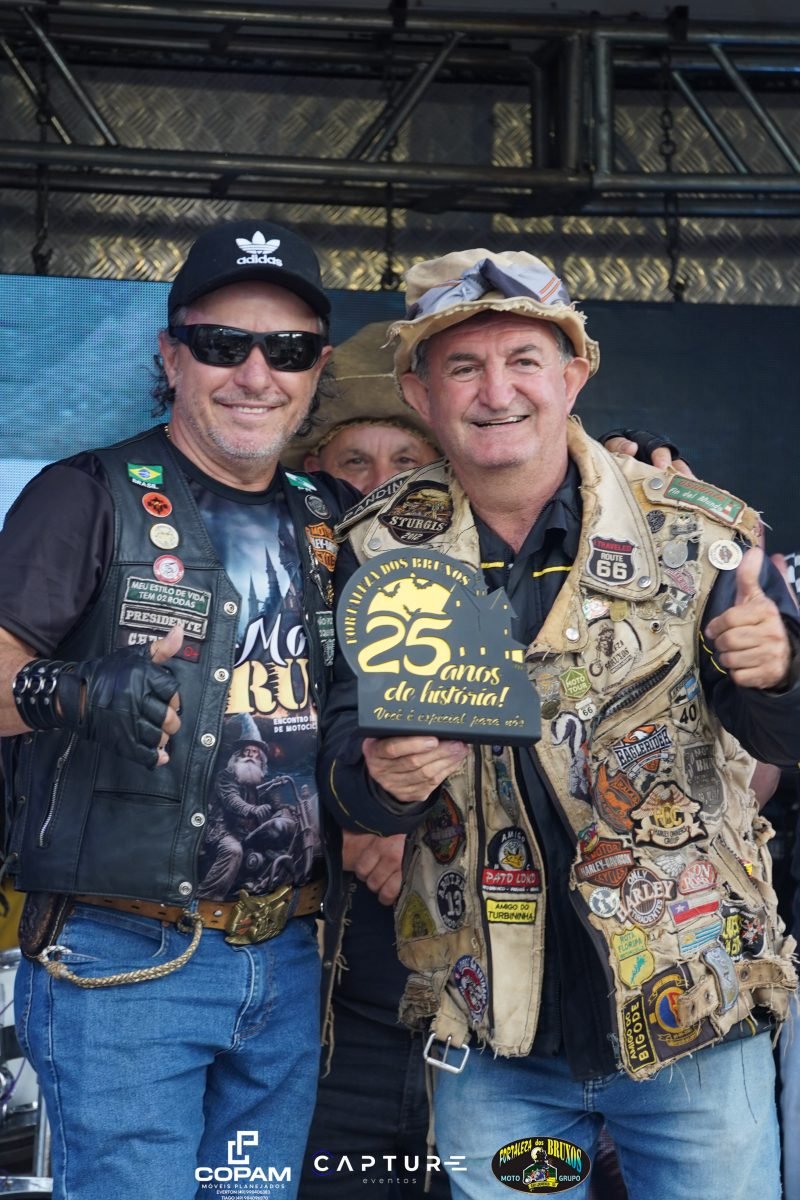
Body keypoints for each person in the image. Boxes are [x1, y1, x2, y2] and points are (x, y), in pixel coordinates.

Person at [318, 248, 800, 1200]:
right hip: (492, 1031)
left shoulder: (702, 531)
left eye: (525, 361)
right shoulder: (371, 547)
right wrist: (379, 781)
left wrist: (782, 672)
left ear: (575, 375)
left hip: (696, 1019)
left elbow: (785, 745)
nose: (497, 392)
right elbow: (340, 762)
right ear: (419, 392)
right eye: (464, 366)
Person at [0, 219, 356, 1200]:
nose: (255, 373)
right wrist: (74, 691)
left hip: (288, 953)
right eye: (221, 344)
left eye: (286, 350)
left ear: (317, 368)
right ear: (170, 356)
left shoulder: (328, 516)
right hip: (127, 954)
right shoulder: (86, 494)